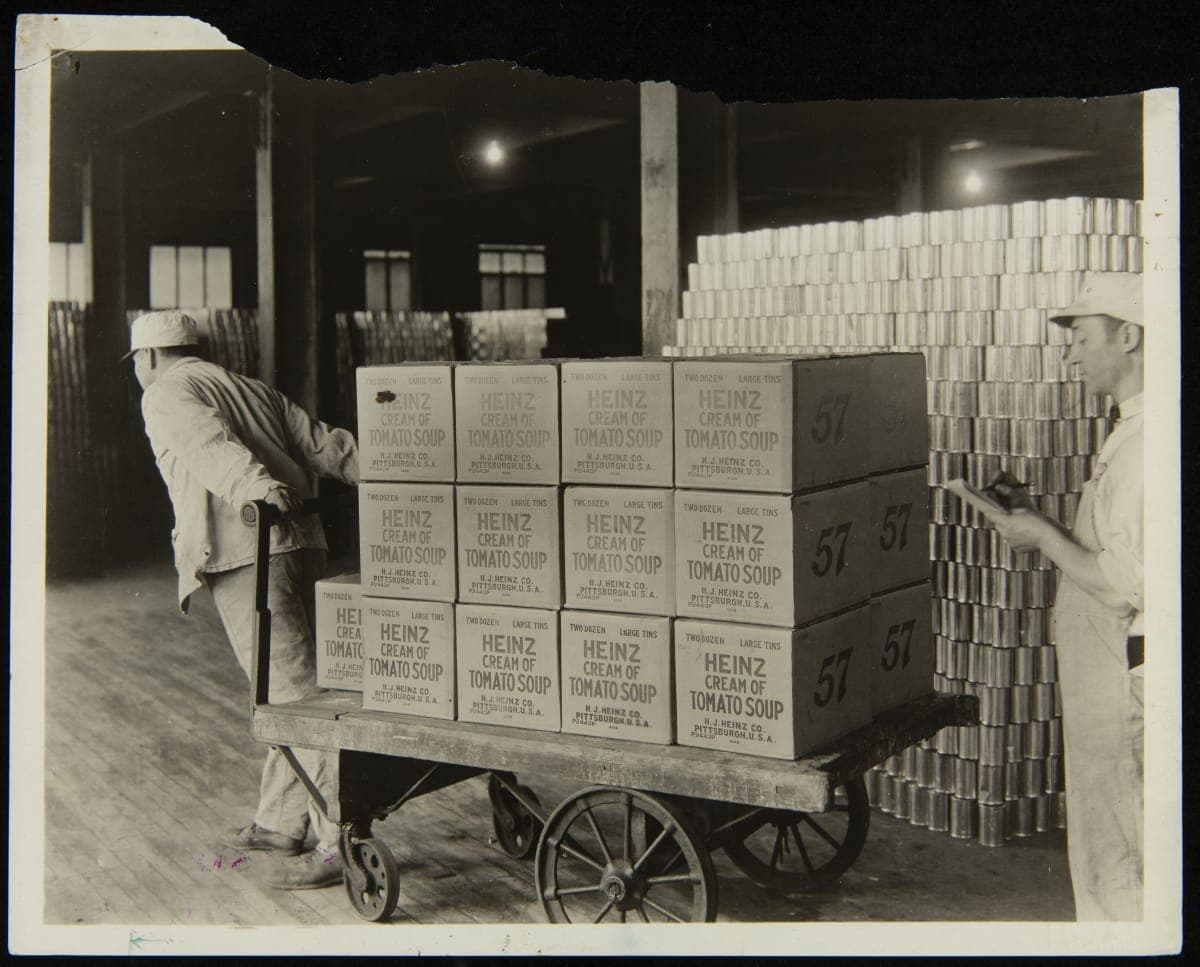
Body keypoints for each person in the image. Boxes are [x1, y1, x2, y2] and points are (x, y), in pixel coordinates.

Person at [125, 309, 358, 890]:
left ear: (148, 357)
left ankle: (338, 842)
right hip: (303, 543)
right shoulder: (252, 388)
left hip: (249, 553)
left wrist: (258, 490)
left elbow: (213, 448)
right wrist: (393, 468)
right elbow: (325, 446)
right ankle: (281, 821)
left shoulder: (164, 393)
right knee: (288, 685)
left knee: (293, 695)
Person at [984, 272, 1144, 921]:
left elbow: (1122, 581)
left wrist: (1041, 536)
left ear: (1129, 336)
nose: (1070, 353)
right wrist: (1037, 519)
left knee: (1124, 867)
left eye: (1080, 337)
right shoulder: (1128, 431)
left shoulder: (1148, 444)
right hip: (1102, 682)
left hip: (1123, 682)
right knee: (1107, 855)